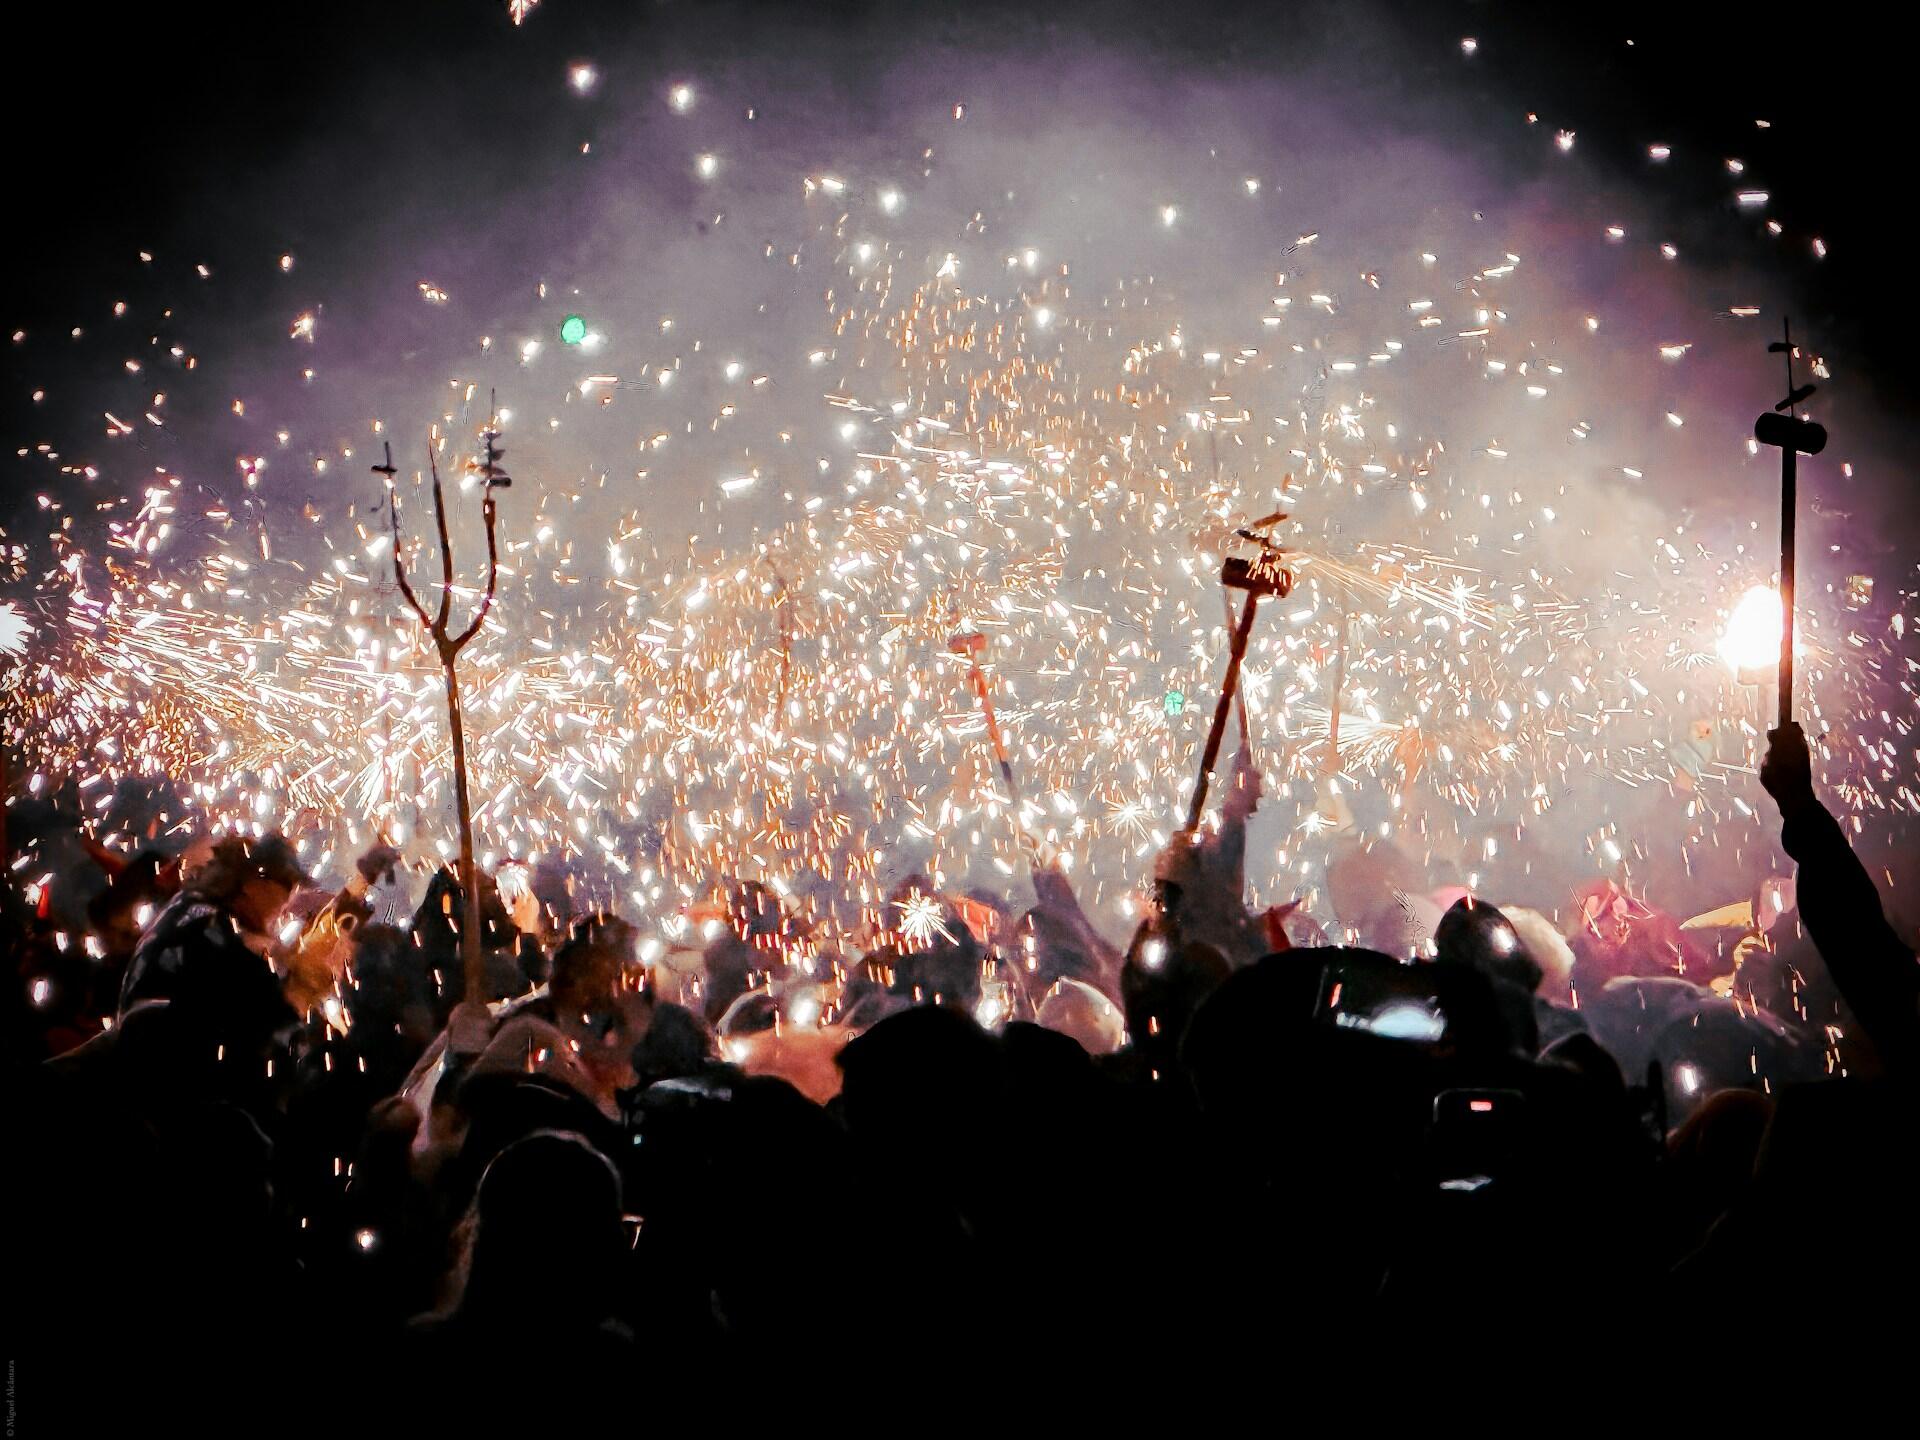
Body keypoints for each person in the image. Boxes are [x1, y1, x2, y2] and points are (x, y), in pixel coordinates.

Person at [1760, 720, 1920, 1074]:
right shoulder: (1899, 986)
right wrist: (1797, 804)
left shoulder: (1900, 1014)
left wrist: (1797, 802)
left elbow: (1856, 930)